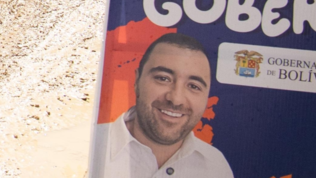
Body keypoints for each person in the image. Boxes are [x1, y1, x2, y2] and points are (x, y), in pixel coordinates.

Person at [90, 33, 233, 178]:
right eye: (163, 78)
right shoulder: (90, 146)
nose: (176, 99)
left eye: (194, 86)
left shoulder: (215, 165)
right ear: (137, 81)